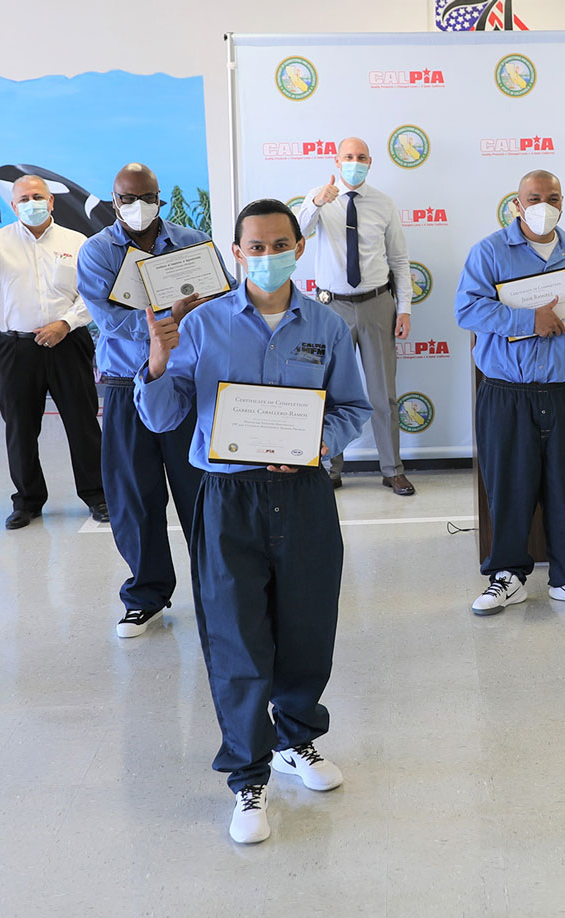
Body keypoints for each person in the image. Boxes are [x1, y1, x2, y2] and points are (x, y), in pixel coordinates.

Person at [135, 199, 371, 845]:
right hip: (228, 497)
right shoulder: (202, 325)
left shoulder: (325, 324)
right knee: (237, 638)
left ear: (299, 246)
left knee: (307, 626)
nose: (268, 256)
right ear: (236, 254)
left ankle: (298, 740)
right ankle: (248, 776)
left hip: (304, 498)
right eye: (255, 246)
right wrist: (157, 361)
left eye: (279, 244)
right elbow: (160, 416)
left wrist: (316, 444)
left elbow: (354, 408)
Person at [455, 170, 565, 617]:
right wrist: (528, 321)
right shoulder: (489, 252)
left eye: (553, 197)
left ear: (564, 202)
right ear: (517, 204)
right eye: (535, 197)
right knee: (508, 486)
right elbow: (467, 308)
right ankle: (507, 576)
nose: (544, 204)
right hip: (507, 392)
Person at [76, 163, 216, 639]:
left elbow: (220, 307)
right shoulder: (97, 252)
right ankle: (147, 595)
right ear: (114, 201)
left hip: (185, 383)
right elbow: (112, 321)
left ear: (160, 197)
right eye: (128, 198)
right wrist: (170, 319)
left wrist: (176, 323)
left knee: (200, 490)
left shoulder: (193, 243)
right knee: (134, 495)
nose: (140, 207)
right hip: (124, 381)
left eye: (148, 196)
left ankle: (217, 590)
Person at [0, 175, 107, 530]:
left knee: (82, 423)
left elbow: (93, 294)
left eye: (38, 197)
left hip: (67, 342)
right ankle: (28, 501)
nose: (31, 203)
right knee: (20, 428)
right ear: (13, 205)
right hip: (15, 347)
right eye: (23, 198)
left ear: (51, 202)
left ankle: (97, 495)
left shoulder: (76, 241)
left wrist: (65, 323)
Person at [297, 136, 415, 495]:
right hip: (331, 307)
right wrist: (316, 203)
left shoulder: (384, 203)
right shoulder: (318, 199)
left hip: (378, 303)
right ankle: (330, 468)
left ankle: (392, 469)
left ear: (370, 161)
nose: (355, 161)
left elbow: (398, 260)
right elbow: (296, 236)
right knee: (328, 390)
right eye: (348, 156)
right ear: (336, 160)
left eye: (361, 156)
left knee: (384, 394)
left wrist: (405, 308)